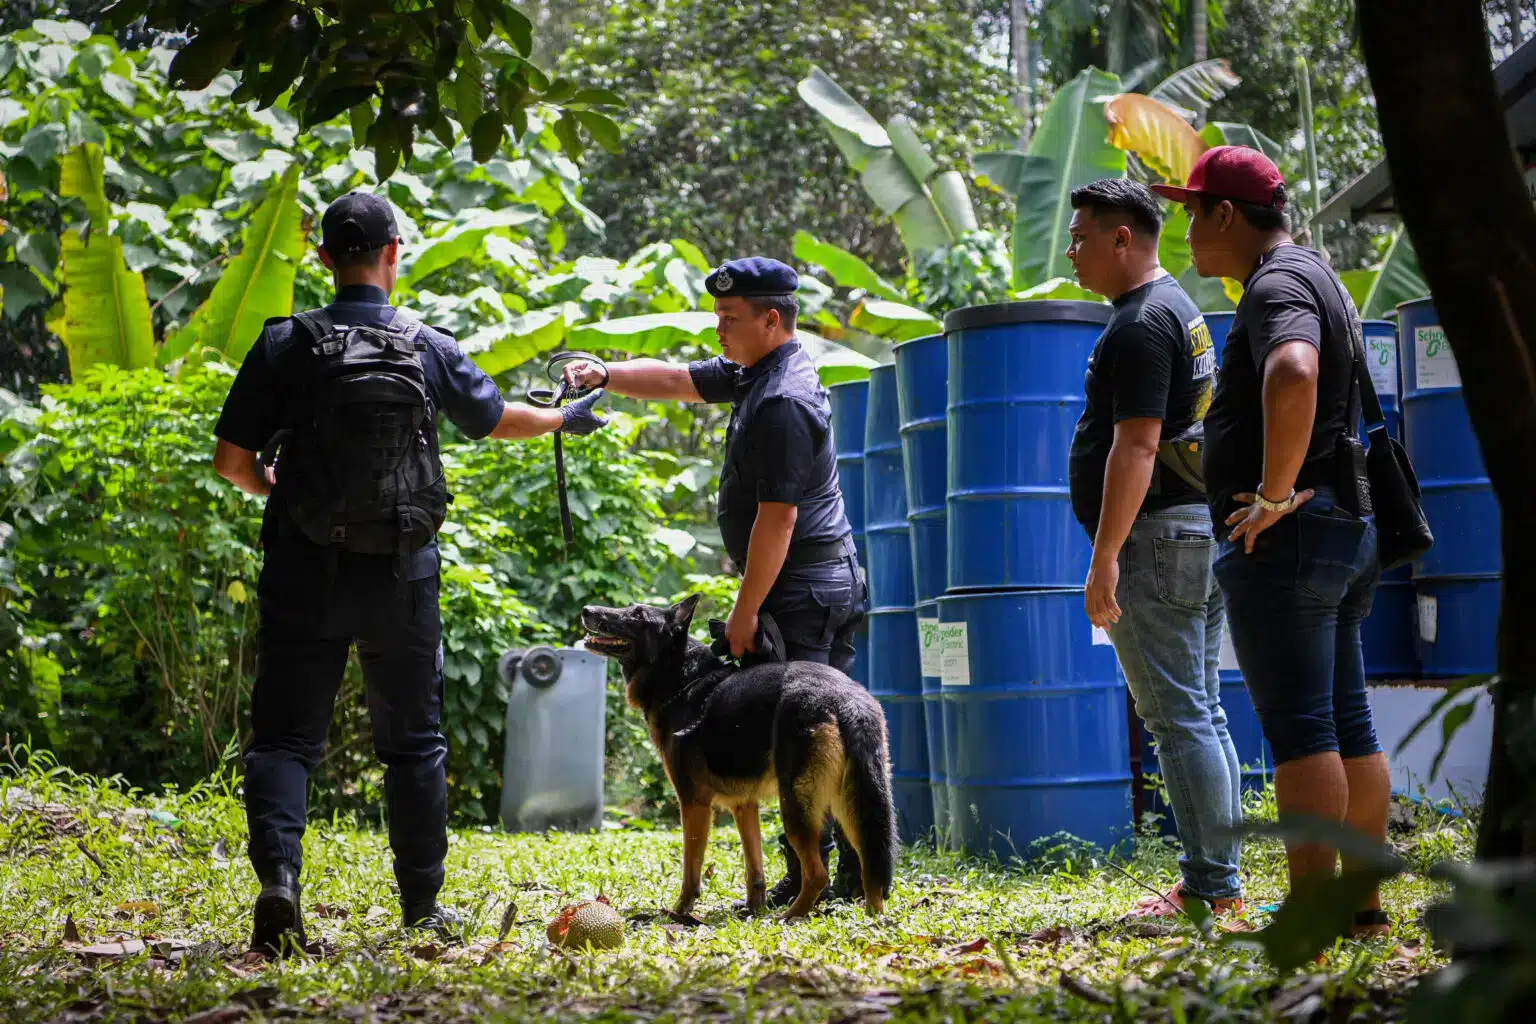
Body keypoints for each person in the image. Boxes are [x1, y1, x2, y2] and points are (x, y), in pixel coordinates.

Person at [212, 191, 609, 955]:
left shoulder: (284, 343)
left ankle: (279, 885)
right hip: (403, 572)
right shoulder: (427, 344)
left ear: (323, 258)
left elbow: (233, 461)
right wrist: (566, 418)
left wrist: (284, 494)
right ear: (395, 253)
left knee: (286, 740)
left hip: (305, 564)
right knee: (413, 745)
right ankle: (424, 908)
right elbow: (494, 419)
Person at [560, 256, 867, 907]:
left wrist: (744, 611)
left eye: (730, 319)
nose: (718, 330)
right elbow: (682, 379)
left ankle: (824, 881)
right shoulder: (762, 371)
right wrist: (605, 375)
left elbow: (778, 521)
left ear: (771, 319)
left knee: (804, 740)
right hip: (803, 587)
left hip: (802, 593)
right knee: (807, 737)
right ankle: (821, 878)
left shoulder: (785, 399)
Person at [1153, 147, 1391, 937]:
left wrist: (1275, 494)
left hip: (1291, 540)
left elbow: (1293, 370)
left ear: (1227, 214)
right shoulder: (1320, 274)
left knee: (1303, 733)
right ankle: (1358, 903)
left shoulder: (1277, 282)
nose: (1187, 233)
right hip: (1344, 531)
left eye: (1192, 214)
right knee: (1347, 722)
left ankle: (1312, 917)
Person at [1064, 178, 1244, 917]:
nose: (1072, 252)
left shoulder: (1140, 324)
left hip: (1156, 539)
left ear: (1122, 239)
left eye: (1081, 237)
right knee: (1202, 711)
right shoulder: (1179, 310)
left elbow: (1135, 448)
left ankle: (1211, 887)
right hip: (1190, 531)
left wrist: (1105, 556)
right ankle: (1216, 878)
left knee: (1178, 719)